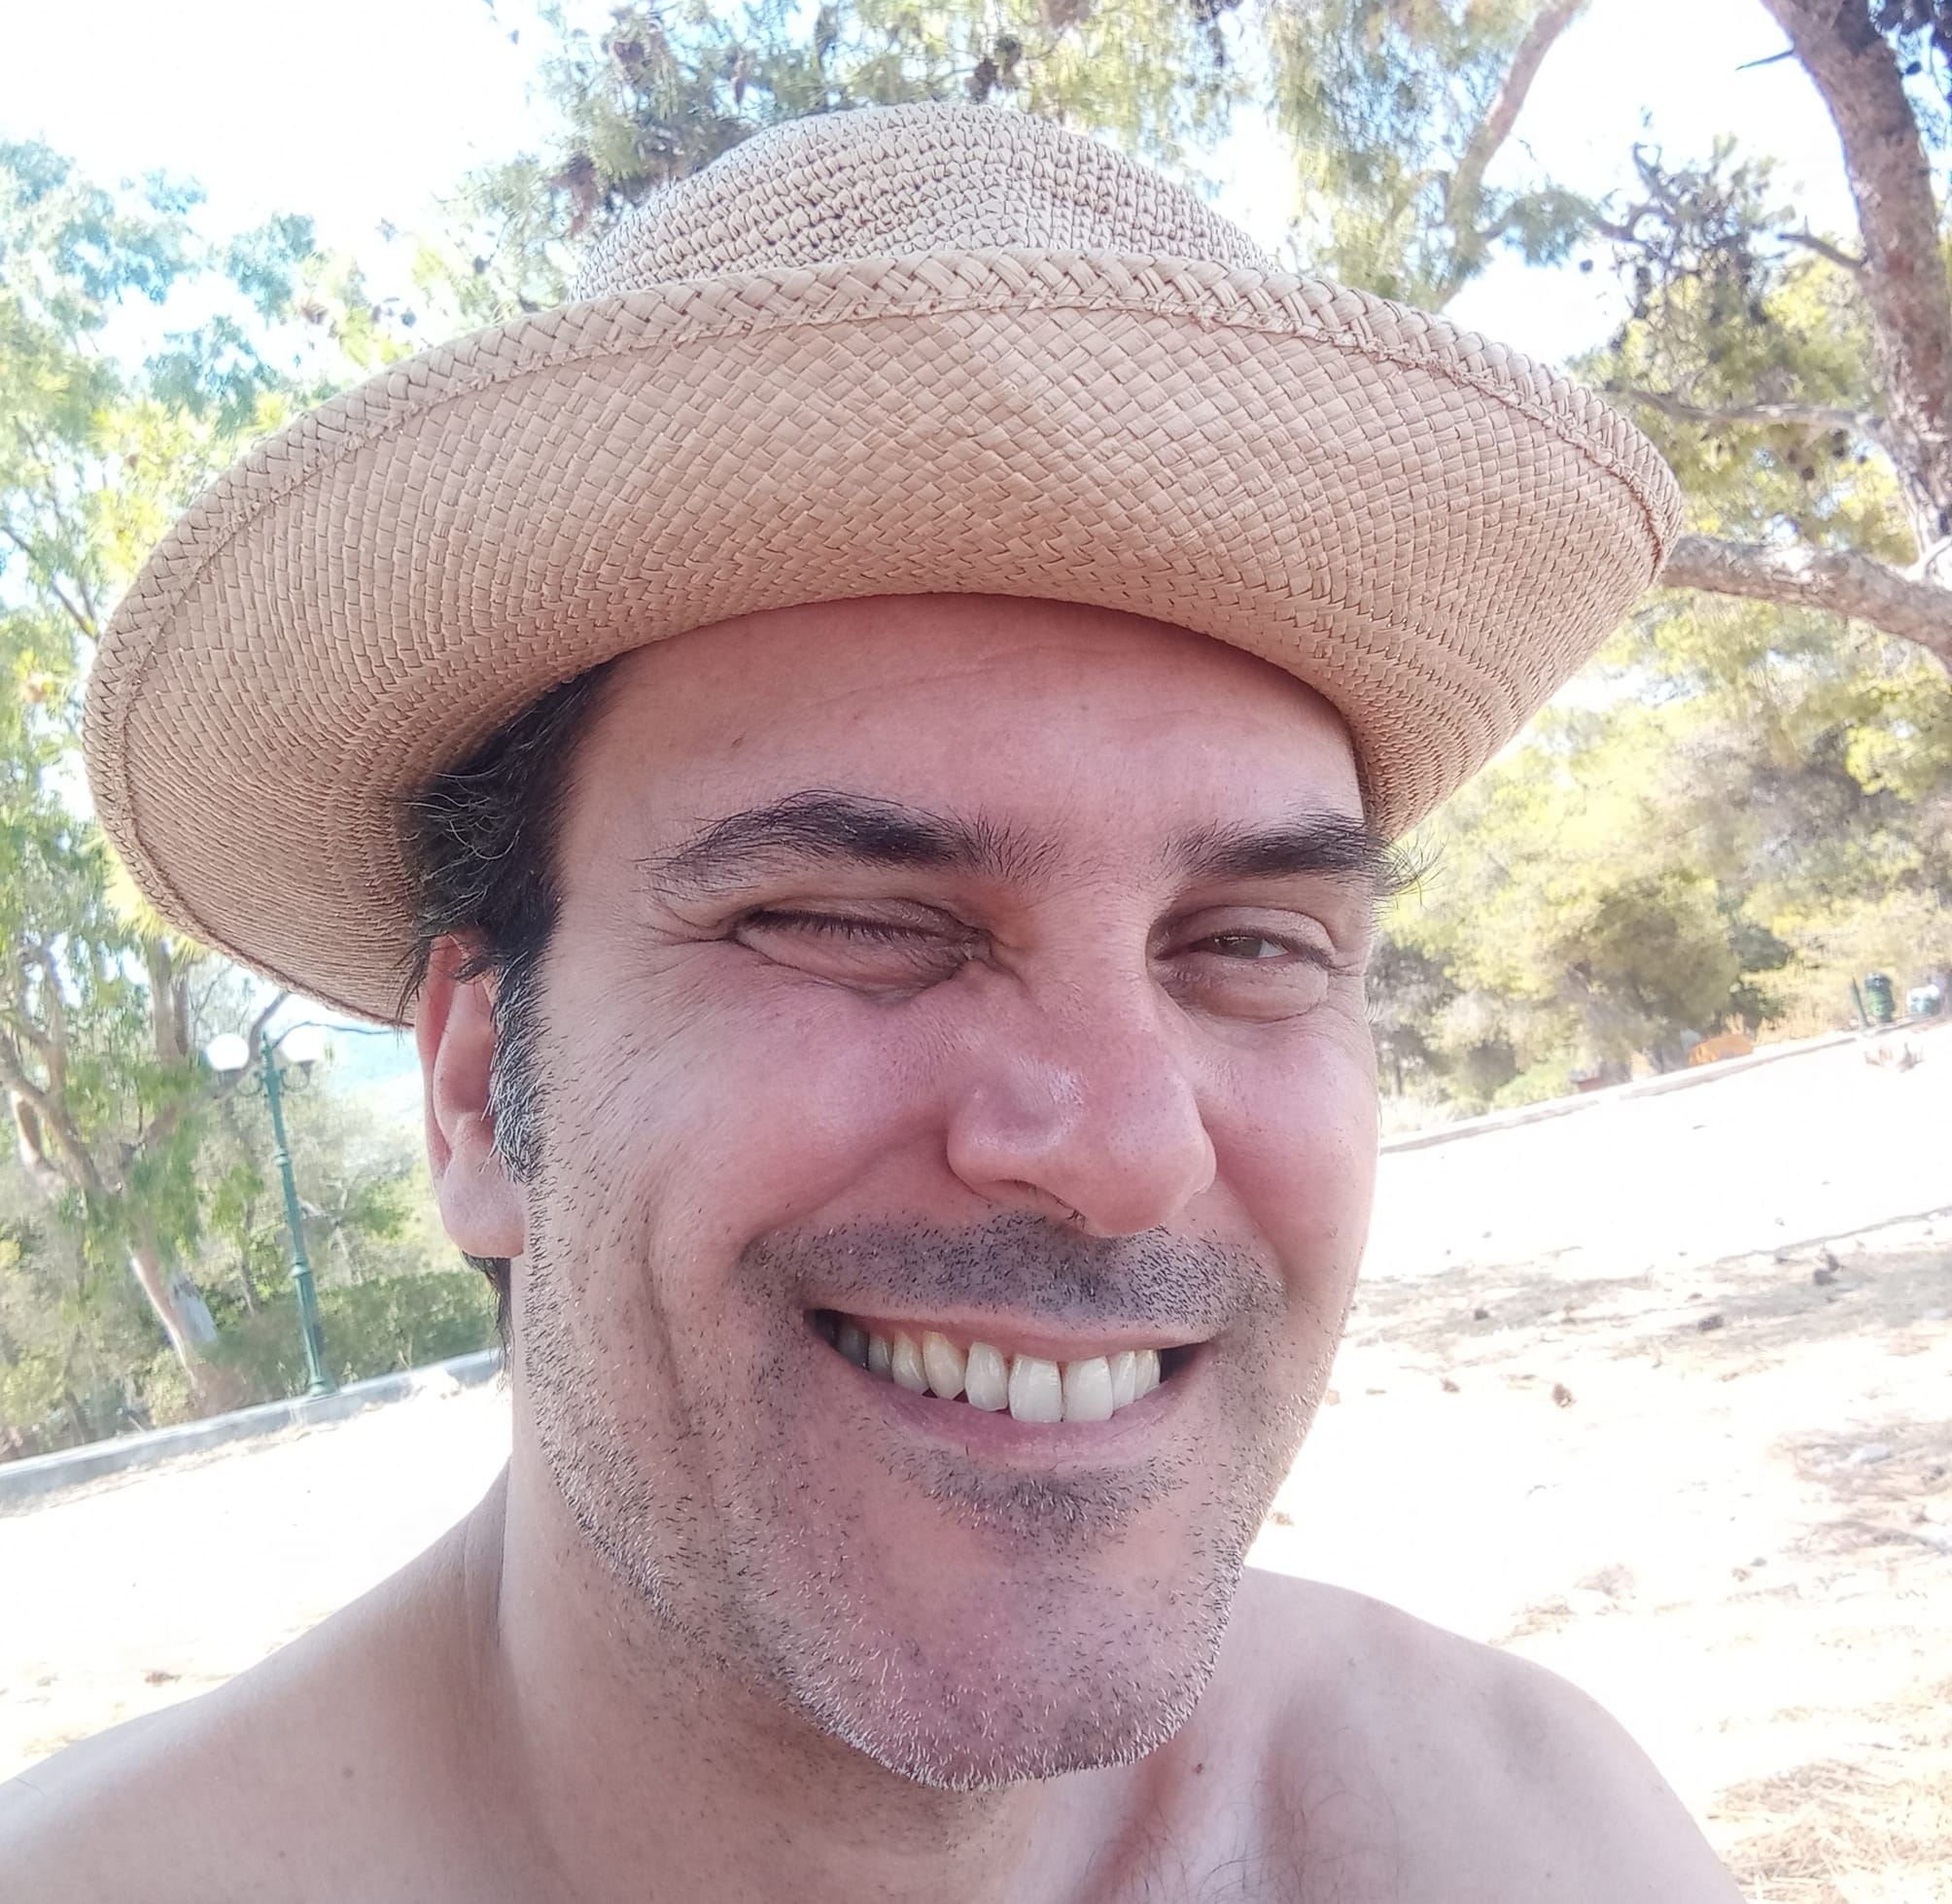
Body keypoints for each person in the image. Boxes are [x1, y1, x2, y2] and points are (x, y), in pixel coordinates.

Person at [3, 103, 1739, 1900]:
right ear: (470, 1094)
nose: (1127, 1152)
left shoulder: (1521, 1837)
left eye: (1251, 945)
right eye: (851, 921)